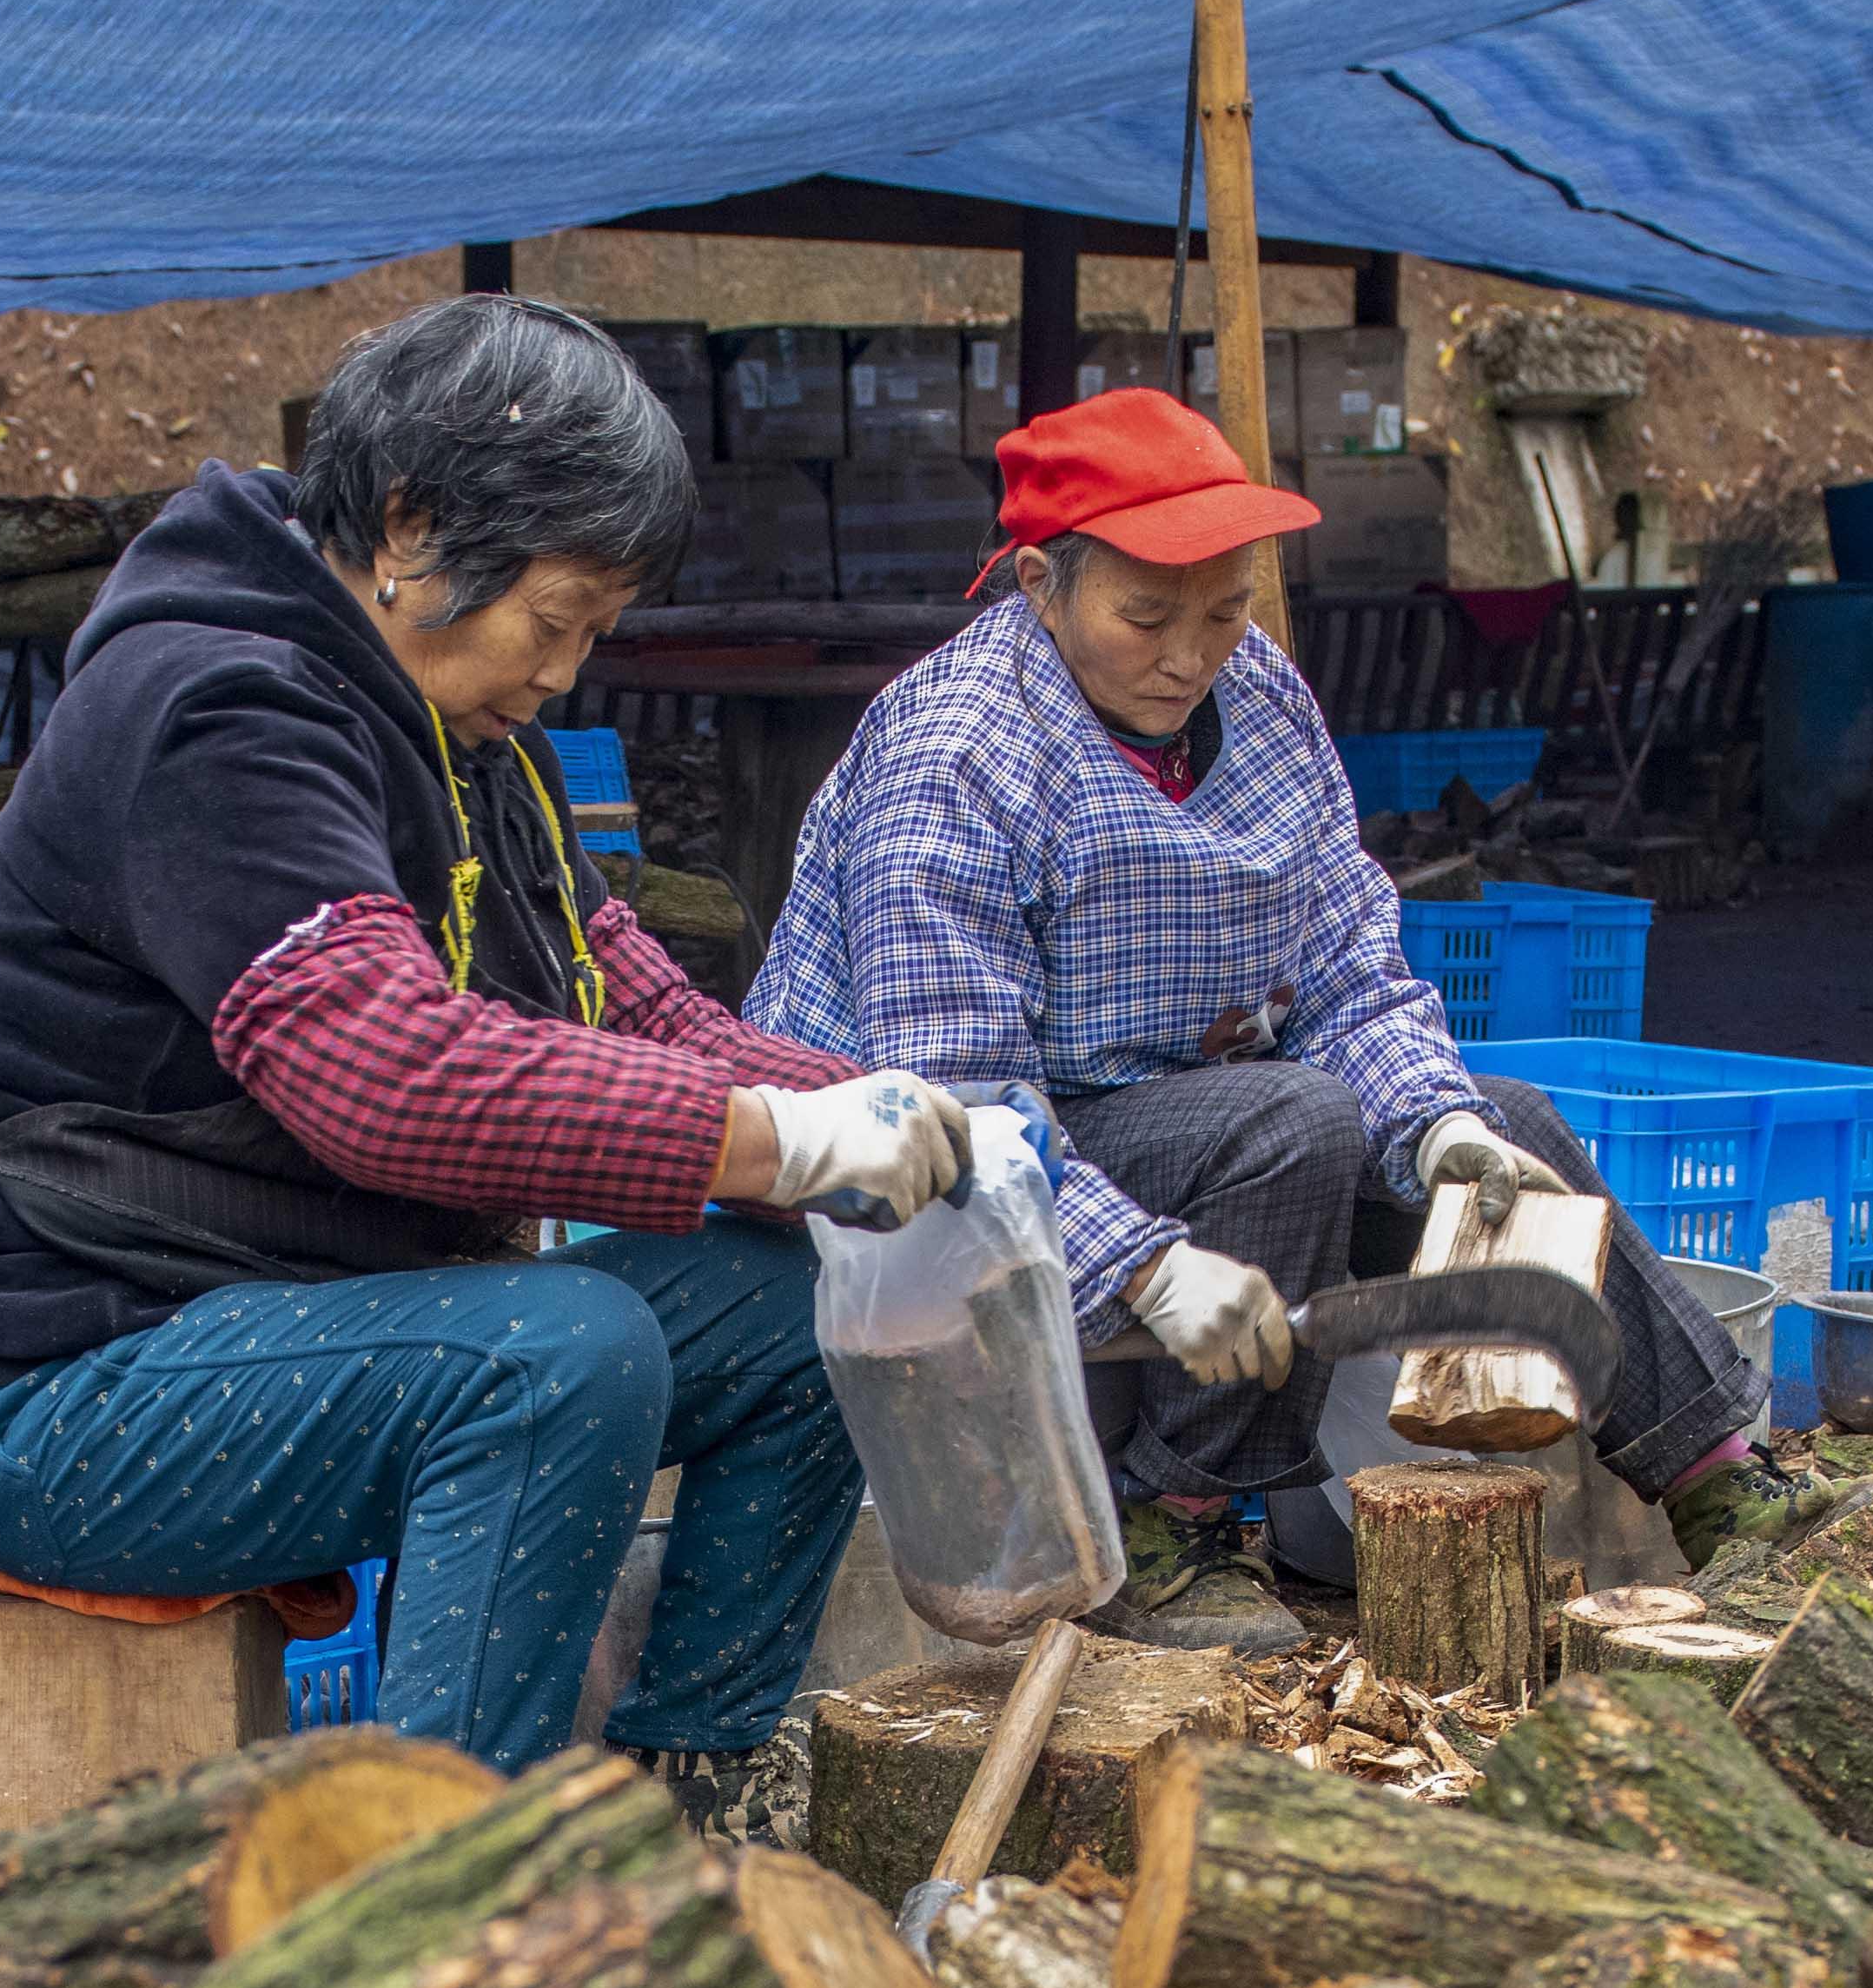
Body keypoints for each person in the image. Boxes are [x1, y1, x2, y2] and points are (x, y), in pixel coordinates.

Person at [0, 293, 977, 1796]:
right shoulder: (219, 714)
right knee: (557, 1356)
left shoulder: (473, 750)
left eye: (594, 631)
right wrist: (779, 1141)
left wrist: (898, 1121)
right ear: (411, 528)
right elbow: (383, 1075)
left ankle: (687, 1797)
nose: (567, 671)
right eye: (555, 620)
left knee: (798, 1303)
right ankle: (451, 1886)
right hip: (80, 1382)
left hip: (318, 1319)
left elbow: (638, 1002)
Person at [750, 388, 1772, 1623]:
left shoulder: (1265, 699)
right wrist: (1150, 1270)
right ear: (1039, 582)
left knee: (1514, 1131)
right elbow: (959, 1117)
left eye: (1226, 610)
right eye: (1146, 615)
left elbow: (1350, 966)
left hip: (1182, 1114)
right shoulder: (955, 755)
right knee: (1293, 1124)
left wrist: (1436, 1125)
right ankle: (1181, 1517)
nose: (1191, 652)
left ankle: (1725, 1484)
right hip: (924, 1186)